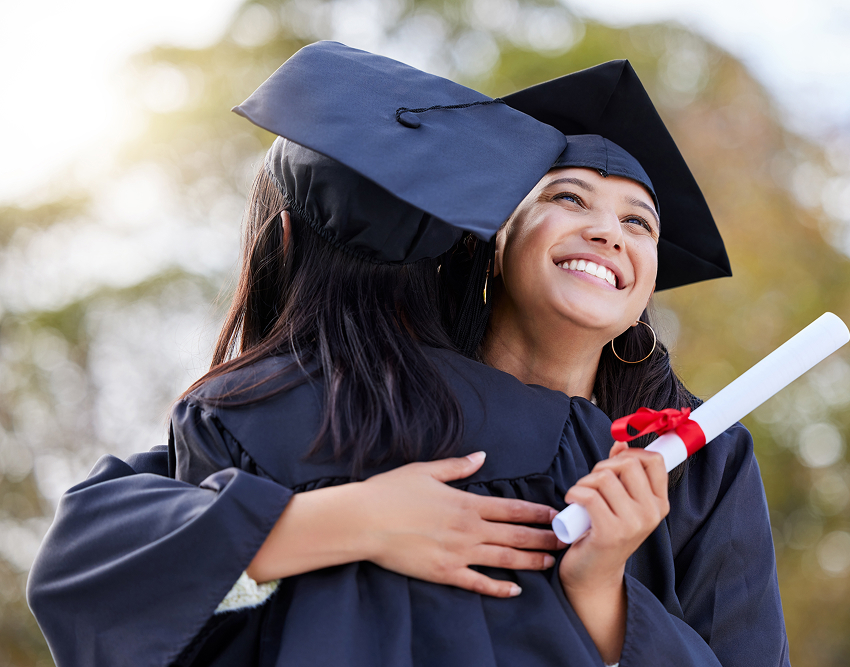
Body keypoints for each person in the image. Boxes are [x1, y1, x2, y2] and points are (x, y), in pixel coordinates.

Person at [28, 44, 788, 667]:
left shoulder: (702, 457)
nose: (606, 231)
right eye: (566, 198)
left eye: (639, 222)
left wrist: (603, 596)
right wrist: (346, 517)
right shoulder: (340, 406)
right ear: (490, 240)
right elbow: (113, 555)